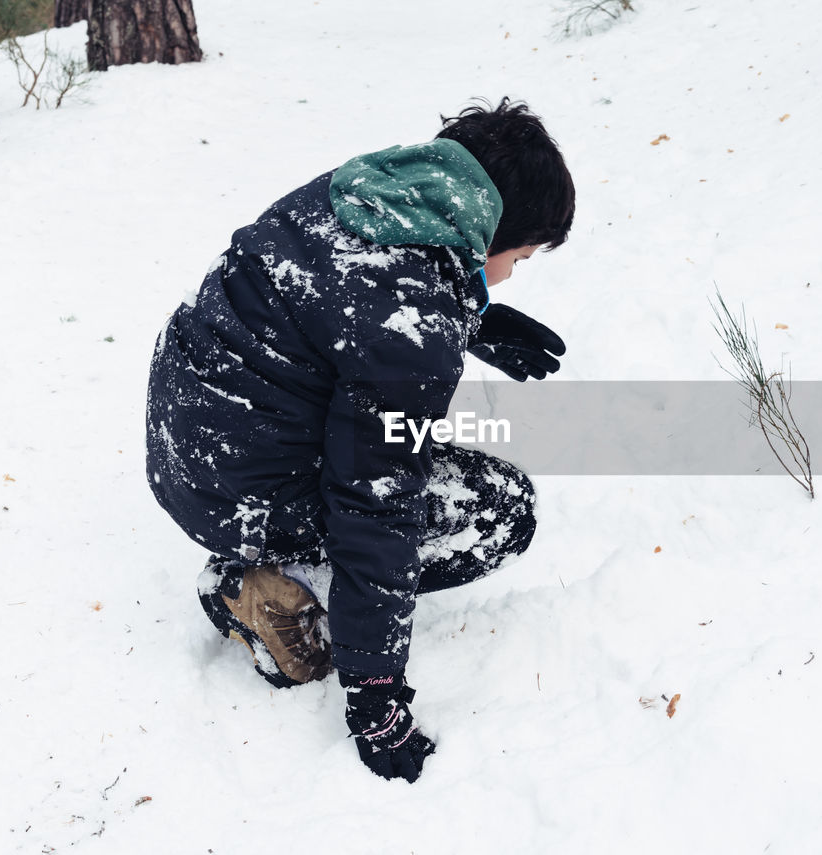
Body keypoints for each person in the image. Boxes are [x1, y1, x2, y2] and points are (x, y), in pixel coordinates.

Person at [144, 98, 575, 783]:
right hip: (245, 490)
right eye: (517, 257)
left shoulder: (356, 191)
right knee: (502, 510)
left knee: (409, 432)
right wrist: (374, 694)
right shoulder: (411, 323)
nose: (512, 274)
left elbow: (338, 307)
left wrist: (469, 316)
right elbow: (376, 504)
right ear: (492, 228)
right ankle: (278, 591)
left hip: (188, 444)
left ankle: (272, 554)